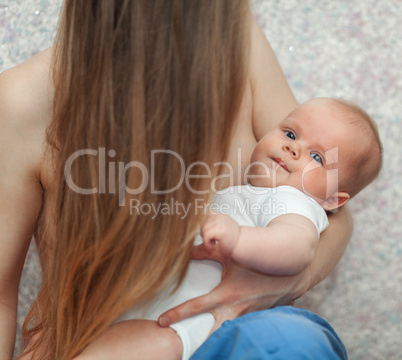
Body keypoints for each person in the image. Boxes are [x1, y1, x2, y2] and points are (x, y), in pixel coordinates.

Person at [0, 1, 354, 359]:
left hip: (223, 336)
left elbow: (324, 204)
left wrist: (284, 278)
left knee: (293, 342)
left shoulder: (232, 30)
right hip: (118, 341)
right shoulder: (20, 101)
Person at [75, 98, 381, 360]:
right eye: (290, 133)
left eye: (317, 157)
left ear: (330, 199)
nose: (292, 148)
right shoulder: (246, 193)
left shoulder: (295, 201)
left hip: (194, 322)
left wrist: (238, 239)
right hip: (157, 305)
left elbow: (297, 247)